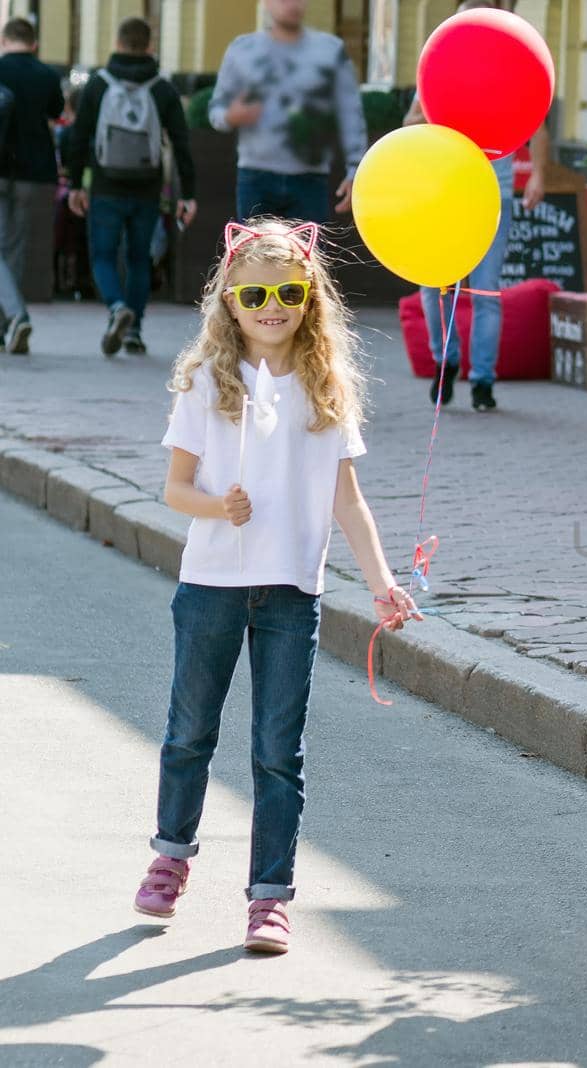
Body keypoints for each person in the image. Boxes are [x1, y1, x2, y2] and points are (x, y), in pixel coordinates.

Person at [131, 218, 421, 953]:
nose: (272, 306)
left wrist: (383, 581)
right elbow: (173, 489)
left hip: (293, 588)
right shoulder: (205, 380)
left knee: (276, 749)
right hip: (212, 584)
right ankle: (171, 853)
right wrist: (216, 504)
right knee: (190, 731)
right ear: (230, 300)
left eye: (288, 291)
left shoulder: (326, 388)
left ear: (310, 296)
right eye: (254, 293)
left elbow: (347, 499)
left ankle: (269, 897)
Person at [403, 0, 549, 413]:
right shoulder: (439, 67)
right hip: (444, 196)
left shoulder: (510, 68)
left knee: (486, 292)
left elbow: (537, 124)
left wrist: (538, 173)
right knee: (434, 288)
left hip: (492, 197)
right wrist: (440, 116)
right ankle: (444, 361)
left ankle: (483, 381)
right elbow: (410, 124)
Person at [65, 16, 198, 357]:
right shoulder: (162, 88)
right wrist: (188, 194)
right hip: (147, 187)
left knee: (103, 254)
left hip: (107, 185)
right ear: (150, 46)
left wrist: (77, 184)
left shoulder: (98, 84)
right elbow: (182, 143)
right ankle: (134, 330)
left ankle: (116, 307)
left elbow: (79, 137)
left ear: (118, 43)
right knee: (140, 258)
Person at [207, 0, 367, 222]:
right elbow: (216, 109)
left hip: (311, 178)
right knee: (255, 255)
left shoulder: (329, 51)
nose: (292, 4)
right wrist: (230, 116)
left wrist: (356, 170)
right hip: (256, 175)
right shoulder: (242, 50)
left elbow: (350, 112)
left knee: (308, 255)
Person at [0, 17, 64, 354]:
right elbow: (55, 114)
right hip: (33, 171)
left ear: (3, 40)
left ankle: (16, 315)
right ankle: (5, 327)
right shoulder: (47, 74)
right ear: (34, 43)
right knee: (13, 249)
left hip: (1, 170)